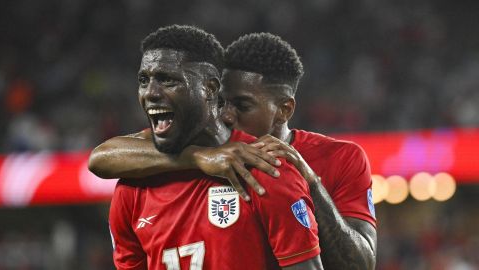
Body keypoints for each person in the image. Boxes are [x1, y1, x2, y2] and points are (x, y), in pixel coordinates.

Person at [90, 32, 376, 269]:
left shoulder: (334, 159)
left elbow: (360, 265)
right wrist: (200, 158)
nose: (225, 115)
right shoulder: (192, 154)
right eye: (221, 102)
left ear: (284, 110)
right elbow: (101, 157)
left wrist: (311, 183)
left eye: (242, 105)